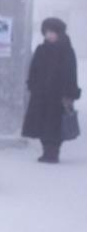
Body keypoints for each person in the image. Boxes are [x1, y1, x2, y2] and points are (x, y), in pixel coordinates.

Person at [22, 17, 81, 163]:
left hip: (58, 95)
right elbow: (33, 69)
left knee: (55, 124)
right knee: (41, 123)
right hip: (41, 94)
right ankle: (46, 150)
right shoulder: (41, 49)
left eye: (52, 32)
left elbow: (71, 73)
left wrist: (69, 93)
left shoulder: (67, 50)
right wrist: (33, 85)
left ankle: (53, 152)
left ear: (59, 33)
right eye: (47, 32)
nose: (49, 35)